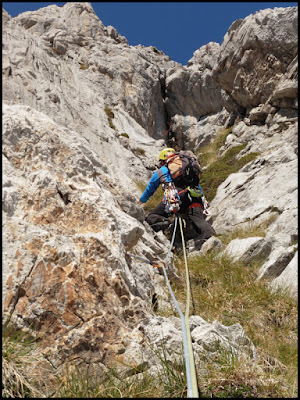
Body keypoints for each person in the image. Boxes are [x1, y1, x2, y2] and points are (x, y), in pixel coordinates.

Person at [139, 148, 216, 248]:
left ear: (163, 161)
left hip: (176, 198)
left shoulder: (162, 171)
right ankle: (211, 236)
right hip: (195, 197)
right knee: (198, 220)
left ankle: (169, 223)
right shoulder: (188, 170)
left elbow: (149, 190)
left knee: (152, 216)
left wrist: (139, 202)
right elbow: (197, 186)